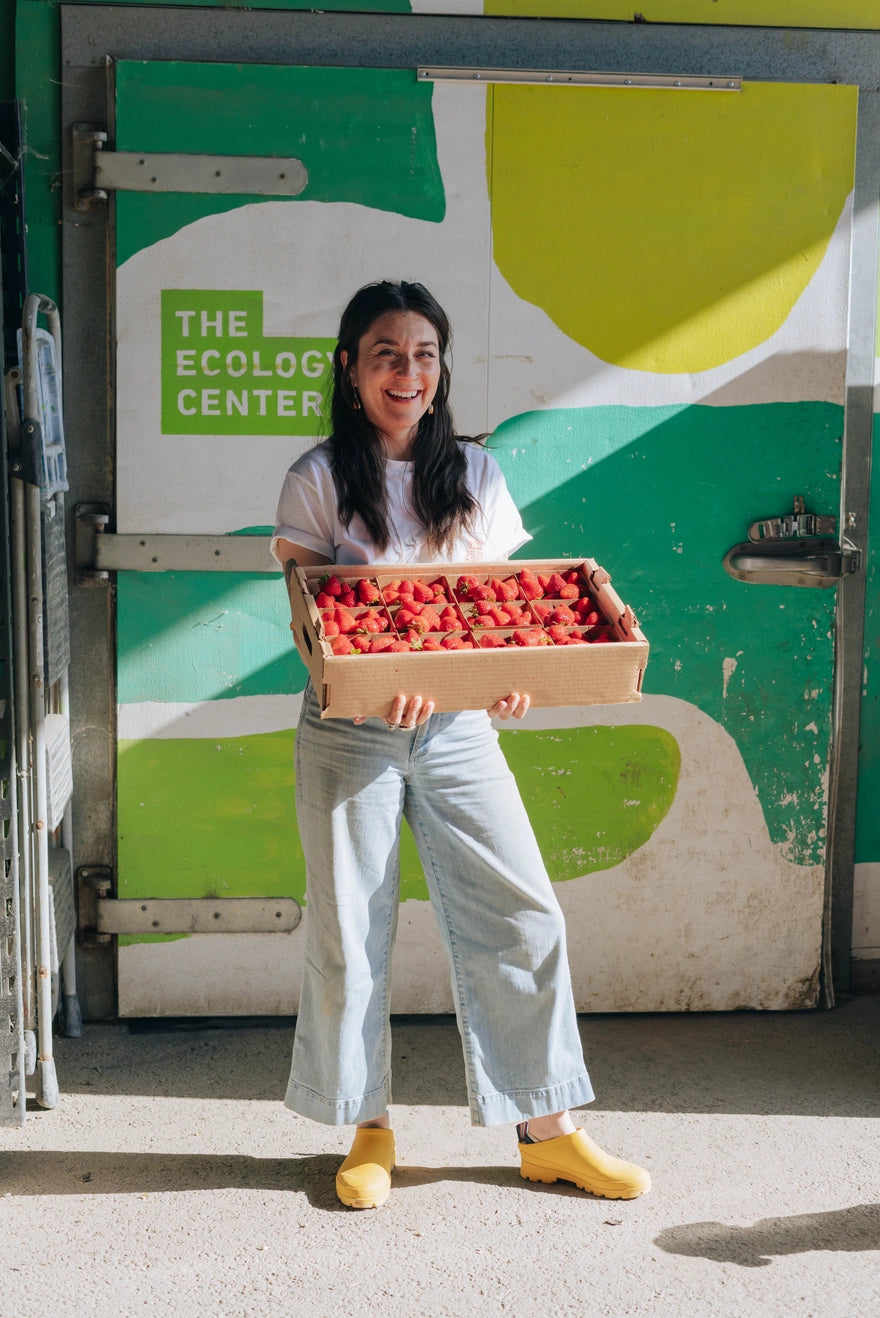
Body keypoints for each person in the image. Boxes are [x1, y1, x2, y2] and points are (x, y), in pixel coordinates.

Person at [271, 279, 650, 1209]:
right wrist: (365, 676)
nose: (408, 372)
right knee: (351, 932)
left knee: (523, 913)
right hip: (350, 730)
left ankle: (547, 1131)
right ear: (351, 369)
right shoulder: (316, 478)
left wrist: (506, 676)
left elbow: (490, 611)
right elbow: (309, 617)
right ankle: (368, 1129)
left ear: (442, 371)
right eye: (387, 354)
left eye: (425, 355)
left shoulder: (475, 474)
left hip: (460, 730)